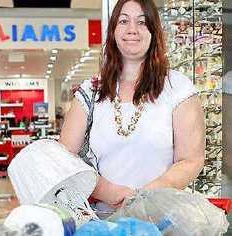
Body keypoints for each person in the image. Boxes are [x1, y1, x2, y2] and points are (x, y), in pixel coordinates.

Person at [59, 0, 205, 214]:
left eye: (142, 22)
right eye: (124, 21)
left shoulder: (178, 88)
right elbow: (63, 158)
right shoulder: (91, 91)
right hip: (102, 221)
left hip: (162, 219)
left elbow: (191, 159)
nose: (132, 30)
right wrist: (108, 191)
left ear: (154, 31)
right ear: (113, 31)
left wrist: (143, 198)